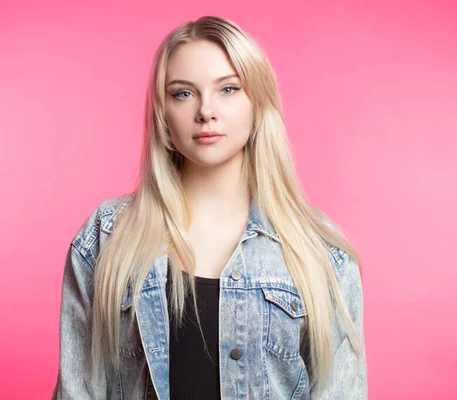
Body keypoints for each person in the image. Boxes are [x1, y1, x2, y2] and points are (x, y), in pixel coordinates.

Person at [52, 15, 367, 400]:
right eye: (183, 93)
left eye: (228, 89)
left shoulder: (320, 251)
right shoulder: (106, 236)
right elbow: (78, 389)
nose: (205, 111)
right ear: (162, 113)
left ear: (258, 101)